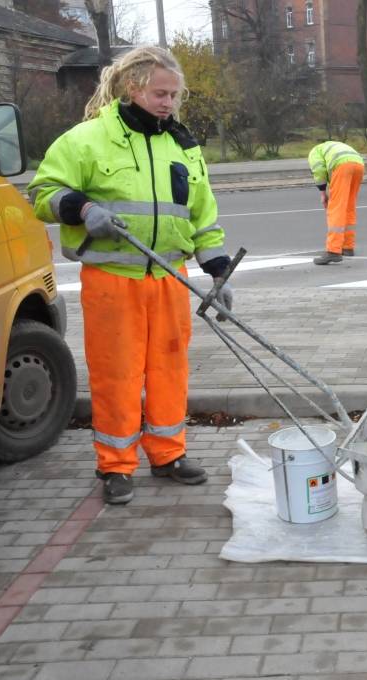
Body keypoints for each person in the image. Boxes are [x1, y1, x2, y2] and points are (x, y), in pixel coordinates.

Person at [28, 47, 231, 504]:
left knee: (169, 370)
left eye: (175, 95)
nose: (168, 103)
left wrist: (218, 272)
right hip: (112, 280)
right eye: (161, 93)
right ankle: (116, 466)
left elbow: (201, 215)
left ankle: (167, 455)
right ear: (133, 87)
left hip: (168, 278)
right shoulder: (88, 139)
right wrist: (81, 208)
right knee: (117, 374)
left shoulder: (182, 145)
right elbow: (42, 192)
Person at [307, 140, 365, 265]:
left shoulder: (314, 151)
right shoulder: (333, 146)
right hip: (359, 165)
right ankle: (348, 247)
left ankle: (333, 251)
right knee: (349, 206)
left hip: (342, 166)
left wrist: (322, 193)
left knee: (336, 207)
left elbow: (318, 171)